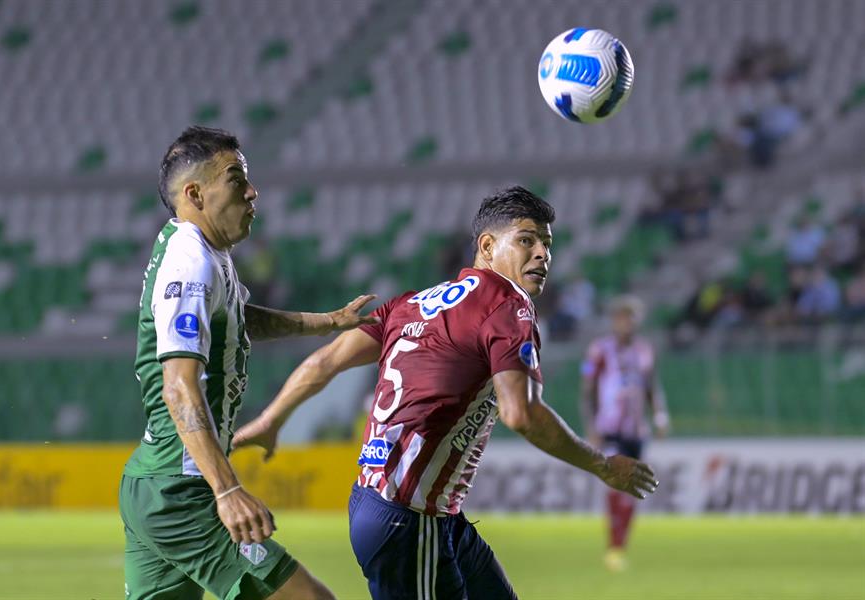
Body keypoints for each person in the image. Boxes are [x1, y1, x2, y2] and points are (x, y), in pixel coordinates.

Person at [232, 186, 659, 600]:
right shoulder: (508, 305)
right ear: (488, 247)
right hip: (408, 518)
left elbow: (325, 362)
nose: (542, 254)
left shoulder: (411, 303)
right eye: (527, 240)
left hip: (403, 509)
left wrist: (272, 421)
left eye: (547, 245)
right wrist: (602, 465)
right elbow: (521, 414)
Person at [119, 126, 378, 600]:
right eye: (237, 179)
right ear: (195, 193)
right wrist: (225, 491)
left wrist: (324, 322)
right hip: (183, 491)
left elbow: (236, 319)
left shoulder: (200, 251)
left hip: (154, 483)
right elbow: (179, 386)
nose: (253, 192)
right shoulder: (189, 262)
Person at [580, 295, 669, 572]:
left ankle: (620, 545)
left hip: (636, 430)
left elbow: (652, 385)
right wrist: (591, 426)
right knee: (615, 484)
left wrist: (660, 415)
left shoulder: (644, 350)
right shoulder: (599, 350)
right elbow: (588, 390)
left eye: (631, 317)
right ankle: (614, 546)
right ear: (614, 320)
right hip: (609, 429)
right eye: (622, 317)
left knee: (632, 491)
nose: (626, 322)